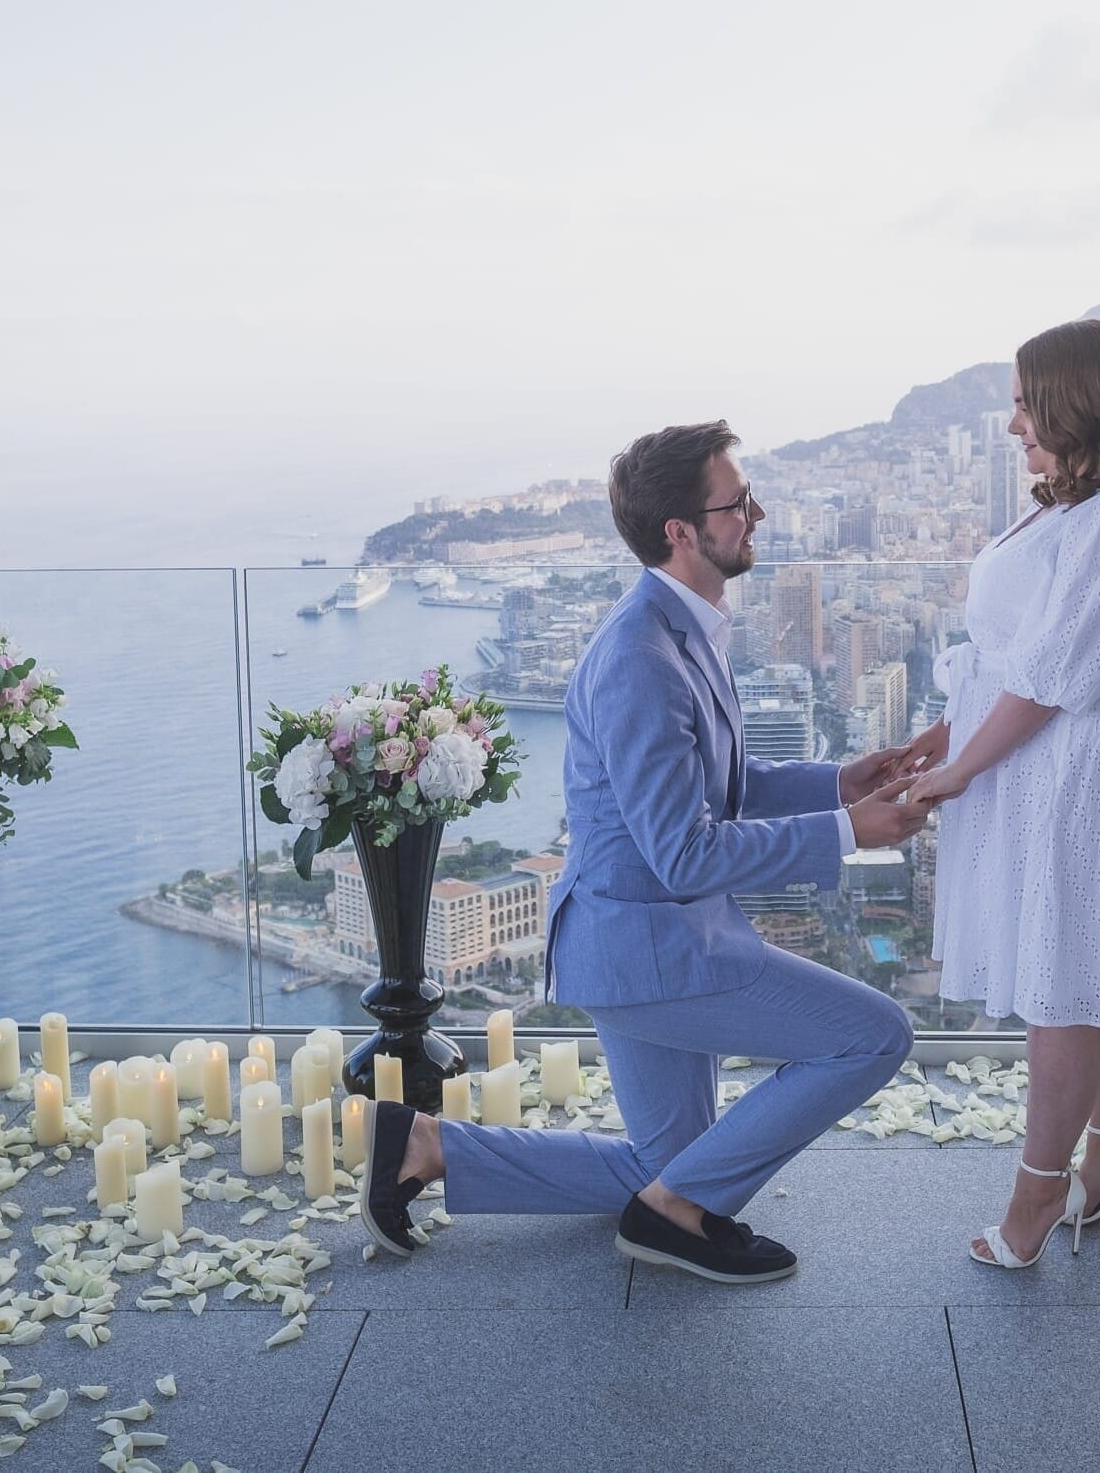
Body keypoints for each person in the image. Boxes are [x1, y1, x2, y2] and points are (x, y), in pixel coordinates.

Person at [361, 420, 930, 1283]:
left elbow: (716, 785)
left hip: (637, 941)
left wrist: (840, 784)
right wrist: (849, 836)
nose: (757, 513)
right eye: (737, 502)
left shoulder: (683, 626)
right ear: (680, 530)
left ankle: (427, 1145)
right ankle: (671, 1217)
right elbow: (684, 853)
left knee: (668, 1170)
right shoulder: (640, 655)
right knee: (874, 1036)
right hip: (651, 950)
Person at [905, 318, 1100, 1268]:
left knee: (1065, 987)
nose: (1012, 428)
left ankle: (1034, 1202)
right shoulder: (1078, 502)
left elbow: (1053, 674)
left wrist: (959, 768)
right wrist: (948, 733)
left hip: (1076, 766)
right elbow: (1017, 657)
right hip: (1055, 756)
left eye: (1023, 406)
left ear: (1077, 403)